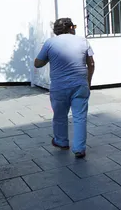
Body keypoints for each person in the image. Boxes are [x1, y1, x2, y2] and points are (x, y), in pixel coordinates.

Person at [34, 18, 95, 158]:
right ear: (71, 28)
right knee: (80, 117)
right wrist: (88, 82)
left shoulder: (50, 43)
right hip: (80, 85)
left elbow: (37, 63)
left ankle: (61, 142)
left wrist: (50, 57)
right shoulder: (83, 41)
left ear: (56, 30)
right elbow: (91, 64)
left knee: (60, 116)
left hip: (59, 87)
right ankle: (79, 148)